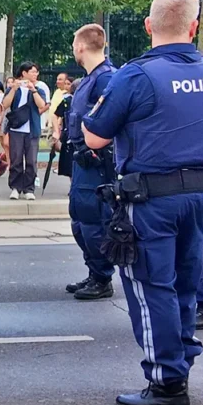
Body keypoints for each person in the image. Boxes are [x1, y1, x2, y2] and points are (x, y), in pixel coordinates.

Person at [82, 0, 203, 405]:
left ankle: (166, 382)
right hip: (201, 196)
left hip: (153, 198)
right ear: (193, 27)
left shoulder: (137, 75)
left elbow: (95, 135)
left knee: (151, 286)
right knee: (186, 285)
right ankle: (181, 364)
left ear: (149, 26)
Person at [64, 25, 116, 301]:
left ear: (81, 46)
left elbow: (112, 122)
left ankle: (102, 276)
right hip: (82, 160)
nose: (73, 48)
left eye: (74, 43)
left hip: (96, 164)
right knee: (80, 219)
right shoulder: (91, 78)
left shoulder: (106, 79)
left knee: (93, 220)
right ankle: (95, 271)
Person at [2, 61, 49, 201]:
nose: (35, 74)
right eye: (33, 71)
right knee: (16, 159)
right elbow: (5, 104)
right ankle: (15, 188)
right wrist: (13, 89)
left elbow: (42, 105)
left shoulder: (38, 89)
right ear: (24, 73)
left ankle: (29, 188)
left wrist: (33, 90)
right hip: (16, 128)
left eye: (36, 72)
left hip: (32, 129)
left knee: (31, 160)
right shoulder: (14, 89)